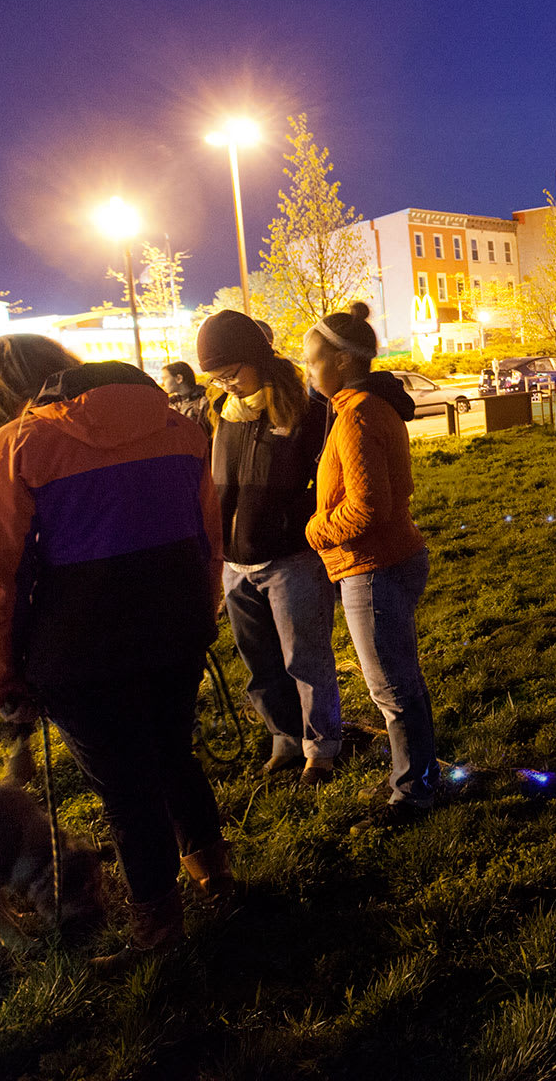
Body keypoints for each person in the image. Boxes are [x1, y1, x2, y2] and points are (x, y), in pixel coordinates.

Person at [0, 350, 230, 966]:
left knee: (126, 787)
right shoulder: (183, 433)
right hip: (176, 634)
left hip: (79, 652)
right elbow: (207, 542)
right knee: (172, 754)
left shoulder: (19, 444)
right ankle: (215, 876)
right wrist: (201, 618)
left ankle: (159, 930)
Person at [300, 302, 439, 832]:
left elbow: (369, 507)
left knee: (392, 689)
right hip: (384, 560)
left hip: (374, 565)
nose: (308, 371)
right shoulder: (359, 406)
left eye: (313, 361)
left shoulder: (358, 414)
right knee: (402, 682)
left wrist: (315, 530)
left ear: (339, 360)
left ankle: (412, 797)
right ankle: (418, 778)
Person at [195, 309, 343, 786]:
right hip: (235, 563)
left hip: (290, 559)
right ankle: (284, 739)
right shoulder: (219, 413)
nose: (225, 384)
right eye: (216, 376)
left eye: (231, 372)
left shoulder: (305, 409)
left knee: (306, 658)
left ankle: (321, 749)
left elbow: (326, 484)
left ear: (257, 359)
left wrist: (293, 519)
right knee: (259, 661)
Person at [162, 361, 213, 435]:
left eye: (165, 379)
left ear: (179, 378)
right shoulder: (171, 403)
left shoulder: (205, 401)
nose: (162, 383)